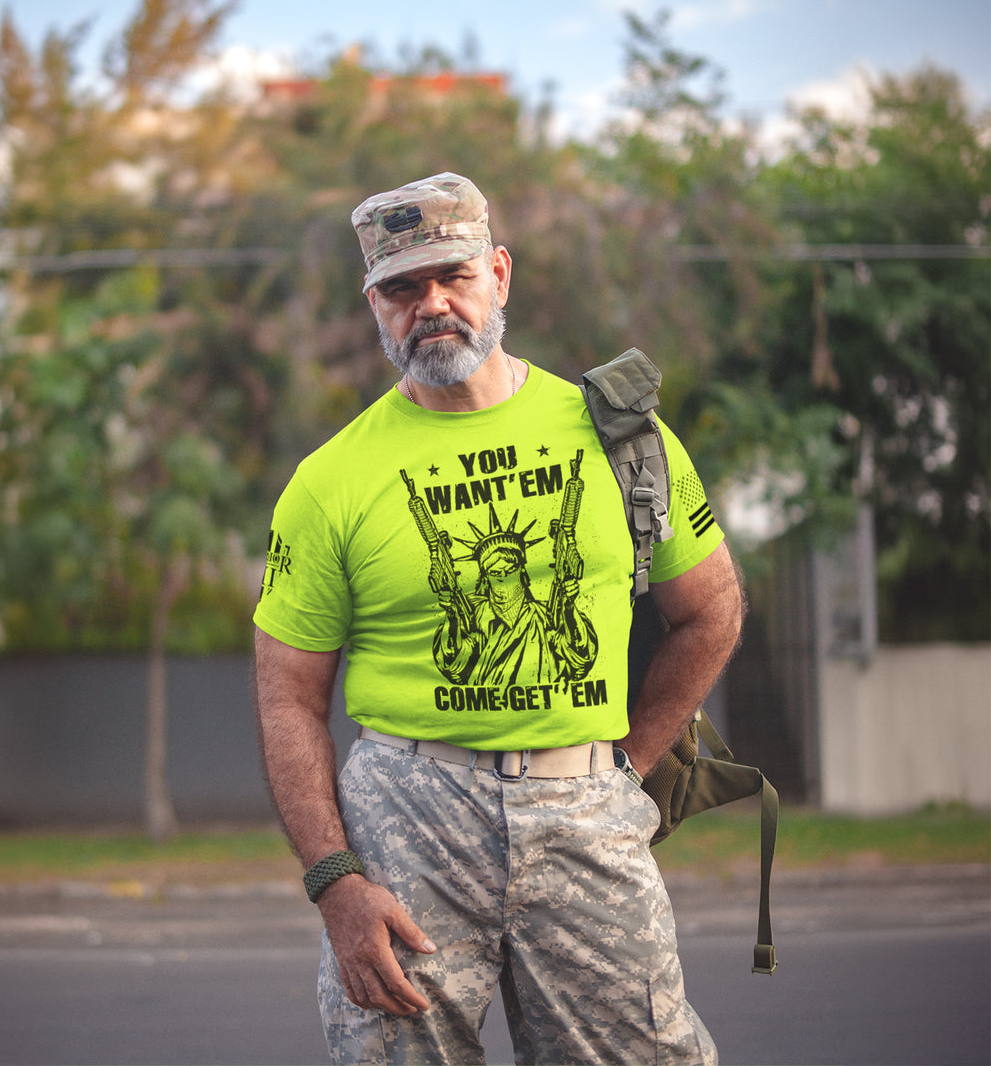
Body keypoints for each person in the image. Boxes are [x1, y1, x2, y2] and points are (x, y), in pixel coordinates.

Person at [253, 172, 743, 1066]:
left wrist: (626, 769)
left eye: (454, 275)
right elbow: (288, 696)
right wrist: (334, 880)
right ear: (374, 303)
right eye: (402, 287)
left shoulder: (621, 437)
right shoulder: (331, 480)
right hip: (408, 818)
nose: (432, 304)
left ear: (500, 275)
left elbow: (709, 610)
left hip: (587, 805)